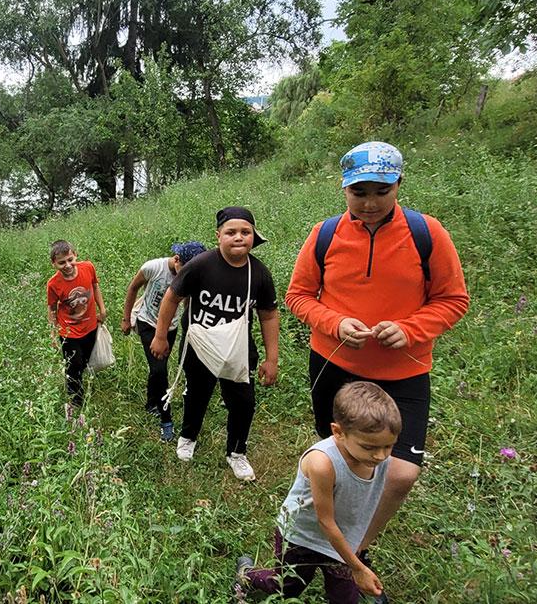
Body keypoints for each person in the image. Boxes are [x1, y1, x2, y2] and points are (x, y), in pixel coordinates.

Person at [285, 141, 469, 578]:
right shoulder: (325, 234)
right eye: (359, 192)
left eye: (380, 192)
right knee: (345, 461)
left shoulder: (427, 234)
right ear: (344, 189)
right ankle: (330, 539)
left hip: (403, 371)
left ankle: (353, 551)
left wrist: (408, 329)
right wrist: (334, 323)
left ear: (399, 185)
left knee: (400, 474)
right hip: (333, 364)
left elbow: (453, 299)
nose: (369, 203)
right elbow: (298, 296)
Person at [236, 382, 401, 603]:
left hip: (344, 539)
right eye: (369, 447)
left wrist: (357, 550)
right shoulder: (322, 463)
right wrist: (358, 568)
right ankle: (247, 575)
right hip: (303, 537)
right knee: (285, 587)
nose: (380, 456)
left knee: (345, 598)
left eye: (388, 446)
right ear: (338, 432)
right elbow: (325, 521)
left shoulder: (379, 457)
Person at [151, 207, 279, 480]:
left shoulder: (258, 273)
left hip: (238, 349)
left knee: (243, 402)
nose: (238, 237)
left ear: (253, 237)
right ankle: (187, 437)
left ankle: (237, 452)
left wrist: (272, 358)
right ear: (218, 235)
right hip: (201, 346)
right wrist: (161, 336)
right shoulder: (200, 266)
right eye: (231, 232)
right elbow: (172, 297)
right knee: (197, 394)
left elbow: (268, 315)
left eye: (245, 232)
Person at [120, 241, 207, 442]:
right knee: (160, 370)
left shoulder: (192, 275)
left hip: (171, 326)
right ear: (177, 260)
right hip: (148, 323)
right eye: (184, 270)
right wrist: (126, 319)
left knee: (158, 367)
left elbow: (188, 302)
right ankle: (165, 420)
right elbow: (133, 288)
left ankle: (151, 402)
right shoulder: (153, 267)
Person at [46, 240, 107, 407]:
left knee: (85, 360)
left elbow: (95, 287)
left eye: (70, 260)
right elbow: (51, 309)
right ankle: (76, 402)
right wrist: (53, 332)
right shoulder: (53, 284)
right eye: (61, 263)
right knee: (74, 364)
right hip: (68, 331)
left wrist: (102, 309)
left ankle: (80, 379)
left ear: (75, 256)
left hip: (90, 325)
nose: (67, 265)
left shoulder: (88, 267)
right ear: (54, 264)